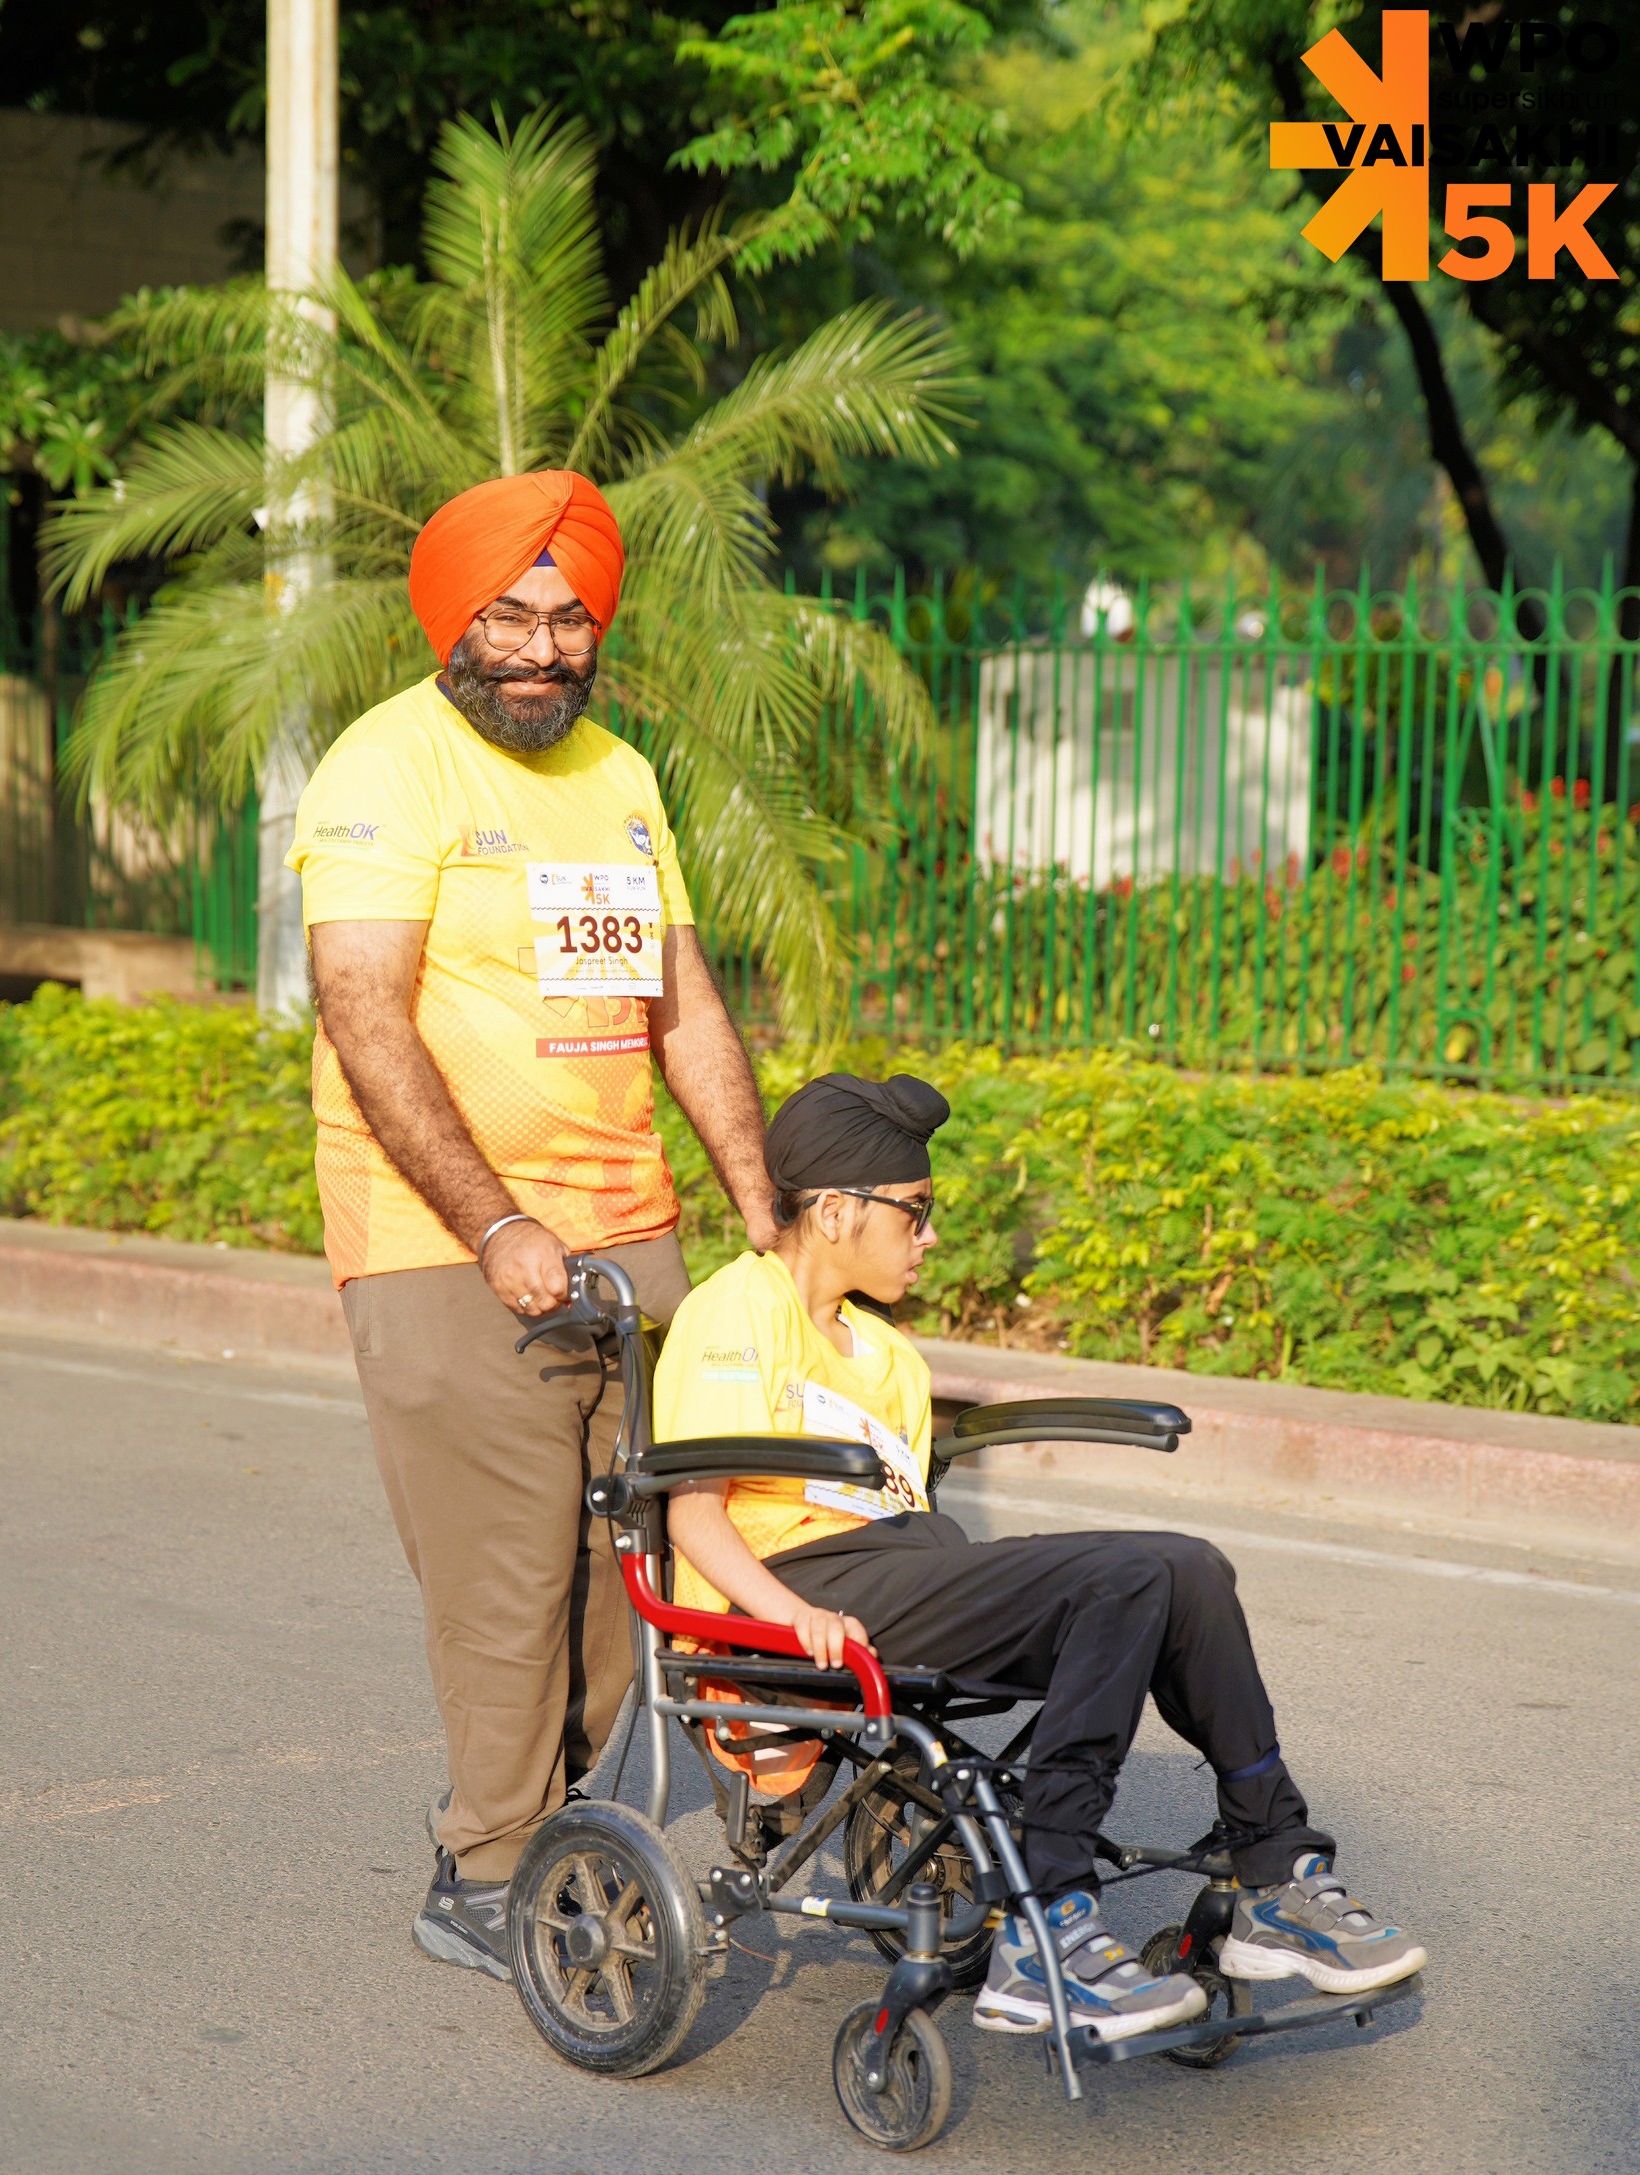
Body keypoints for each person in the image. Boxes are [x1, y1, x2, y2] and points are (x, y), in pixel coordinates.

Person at [651, 1071, 1427, 2043]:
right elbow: (692, 1515)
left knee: (1188, 1568)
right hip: (802, 1590)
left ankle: (1276, 1871)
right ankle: (1045, 1919)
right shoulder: (736, 1310)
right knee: (1125, 1576)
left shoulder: (891, 1358)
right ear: (837, 1210)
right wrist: (789, 1614)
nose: (930, 1235)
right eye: (915, 1211)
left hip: (904, 1575)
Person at [288, 468, 778, 1981]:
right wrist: (495, 1220)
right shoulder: (389, 766)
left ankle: (566, 1830)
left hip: (627, 1226)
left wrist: (765, 1215)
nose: (540, 648)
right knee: (506, 1580)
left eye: (568, 620)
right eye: (508, 616)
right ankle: (488, 1862)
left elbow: (681, 1002)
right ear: (455, 617)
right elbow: (364, 1013)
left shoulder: (620, 774)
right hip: (445, 1238)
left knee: (638, 1570)